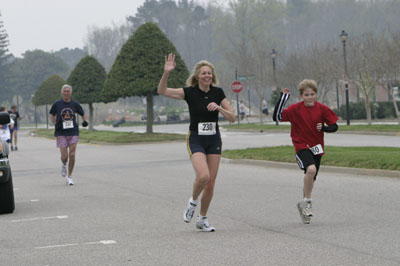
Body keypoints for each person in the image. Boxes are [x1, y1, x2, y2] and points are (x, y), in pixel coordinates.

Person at [158, 53, 235, 232]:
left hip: (213, 139)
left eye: (209, 73)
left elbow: (232, 117)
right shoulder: (189, 92)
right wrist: (166, 73)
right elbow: (162, 91)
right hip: (196, 139)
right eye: (203, 73)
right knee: (203, 176)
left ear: (212, 76)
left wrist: (220, 108)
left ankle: (202, 219)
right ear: (197, 77)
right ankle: (192, 202)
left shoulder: (218, 92)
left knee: (211, 182)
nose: (207, 76)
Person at [273, 79, 338, 224]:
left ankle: (303, 205)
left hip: (317, 148)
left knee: (311, 177)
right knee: (311, 169)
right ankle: (308, 202)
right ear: (301, 96)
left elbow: (334, 126)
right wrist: (283, 98)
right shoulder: (295, 109)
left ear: (316, 94)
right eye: (306, 95)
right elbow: (276, 117)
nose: (310, 97)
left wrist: (325, 128)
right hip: (301, 145)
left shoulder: (322, 109)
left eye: (312, 94)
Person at [49, 84, 88, 186]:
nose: (66, 93)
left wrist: (84, 121)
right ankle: (63, 164)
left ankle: (69, 176)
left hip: (73, 132)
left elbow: (82, 113)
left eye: (68, 91)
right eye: (64, 91)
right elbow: (52, 114)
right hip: (61, 133)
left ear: (71, 93)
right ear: (62, 93)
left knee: (72, 154)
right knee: (64, 156)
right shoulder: (57, 104)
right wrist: (55, 123)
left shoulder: (75, 104)